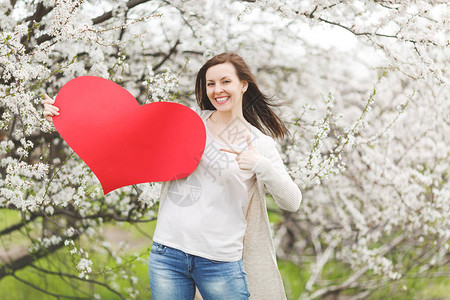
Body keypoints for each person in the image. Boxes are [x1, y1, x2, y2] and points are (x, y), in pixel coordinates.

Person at [43, 52, 302, 300]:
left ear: (243, 85)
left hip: (219, 260)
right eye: (210, 83)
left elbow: (292, 202)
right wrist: (65, 113)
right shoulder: (187, 123)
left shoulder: (257, 142)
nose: (217, 90)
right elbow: (123, 139)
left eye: (226, 81)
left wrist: (260, 165)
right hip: (168, 253)